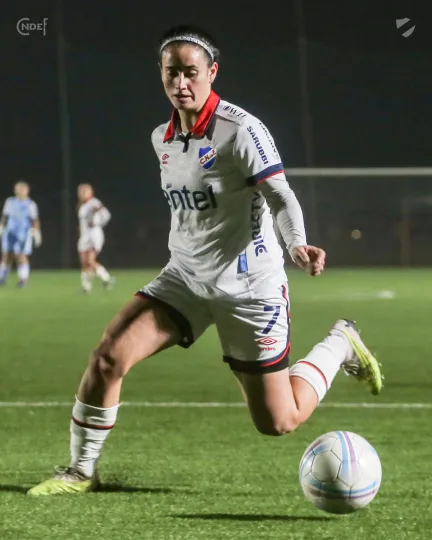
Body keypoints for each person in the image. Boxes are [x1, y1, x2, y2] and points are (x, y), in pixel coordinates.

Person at [28, 25, 383, 496]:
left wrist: (297, 242)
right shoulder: (162, 138)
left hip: (250, 288)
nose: (181, 83)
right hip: (185, 279)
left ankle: (340, 342)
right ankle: (80, 471)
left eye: (190, 72)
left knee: (279, 420)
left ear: (212, 72)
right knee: (108, 356)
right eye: (171, 72)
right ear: (160, 74)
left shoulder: (242, 130)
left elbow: (280, 195)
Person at [0, 181, 42, 287]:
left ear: (27, 191)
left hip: (24, 234)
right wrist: (1, 227)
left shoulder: (30, 204)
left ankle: (23, 280)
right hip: (9, 232)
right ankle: (2, 277)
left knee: (21, 256)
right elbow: (5, 216)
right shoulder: (10, 202)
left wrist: (36, 232)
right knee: (7, 255)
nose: (20, 191)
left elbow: (34, 219)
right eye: (18, 189)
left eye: (23, 189)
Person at [76, 184, 115, 293]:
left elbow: (106, 214)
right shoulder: (83, 205)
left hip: (94, 235)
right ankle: (86, 287)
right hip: (85, 235)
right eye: (80, 192)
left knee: (90, 261)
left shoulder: (94, 202)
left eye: (84, 191)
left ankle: (107, 278)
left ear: (90, 192)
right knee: (84, 262)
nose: (82, 194)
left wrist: (98, 223)